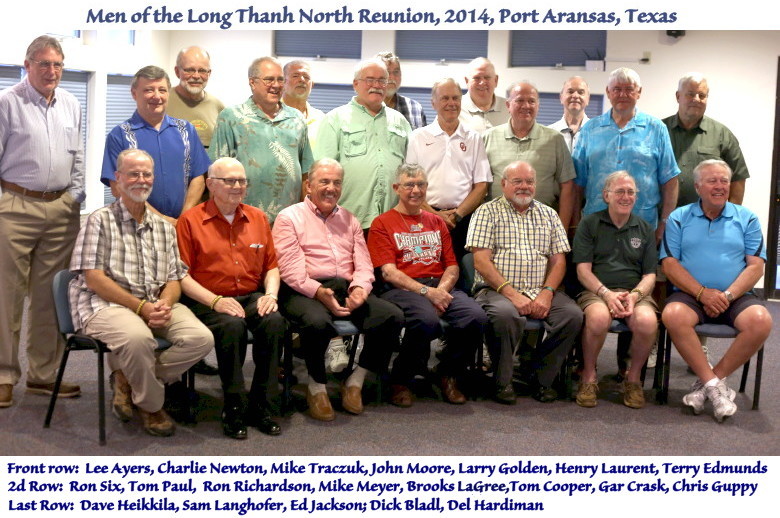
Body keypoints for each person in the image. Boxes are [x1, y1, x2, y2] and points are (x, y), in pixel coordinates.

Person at [69, 149, 213, 436]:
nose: (141, 180)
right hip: (104, 304)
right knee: (138, 339)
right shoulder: (99, 221)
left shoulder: (164, 227)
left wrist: (163, 304)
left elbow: (174, 277)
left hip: (152, 302)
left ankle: (125, 377)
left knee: (201, 339)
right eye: (133, 174)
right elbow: (94, 279)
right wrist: (140, 308)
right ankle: (151, 406)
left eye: (146, 174)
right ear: (118, 179)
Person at [272, 159, 403, 421]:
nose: (331, 188)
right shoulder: (289, 217)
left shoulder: (350, 219)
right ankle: (317, 386)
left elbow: (364, 264)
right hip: (302, 290)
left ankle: (355, 381)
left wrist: (360, 289)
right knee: (318, 322)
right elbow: (290, 270)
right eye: (324, 182)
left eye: (336, 182)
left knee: (392, 317)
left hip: (344, 288)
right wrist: (319, 292)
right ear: (309, 185)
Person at [0, 35, 84, 408]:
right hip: (15, 206)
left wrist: (75, 197)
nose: (52, 71)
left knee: (50, 297)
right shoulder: (7, 103)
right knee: (7, 297)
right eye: (44, 64)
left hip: (60, 210)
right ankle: (4, 375)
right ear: (28, 64)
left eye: (58, 65)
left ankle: (42, 374)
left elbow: (78, 154)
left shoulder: (70, 103)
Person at [177, 158, 284, 439]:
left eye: (242, 181)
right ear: (211, 185)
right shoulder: (190, 220)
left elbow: (271, 266)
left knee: (274, 322)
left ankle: (262, 404)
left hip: (251, 295)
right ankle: (234, 404)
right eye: (230, 181)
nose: (238, 186)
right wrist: (215, 301)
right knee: (232, 326)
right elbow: (181, 276)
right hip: (207, 299)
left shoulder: (258, 218)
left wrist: (271, 295)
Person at [660, 159, 772, 422]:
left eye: (724, 181)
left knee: (761, 321)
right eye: (712, 181)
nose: (720, 186)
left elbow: (756, 267)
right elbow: (669, 264)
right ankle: (716, 387)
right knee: (673, 314)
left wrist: (727, 295)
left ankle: (707, 384)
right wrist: (702, 293)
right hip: (691, 295)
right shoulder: (679, 217)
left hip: (735, 296)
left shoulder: (747, 218)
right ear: (698, 187)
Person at [368, 164, 487, 407]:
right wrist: (426, 293)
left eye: (421, 184)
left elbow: (452, 265)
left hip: (439, 284)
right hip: (400, 288)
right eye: (409, 185)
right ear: (396, 188)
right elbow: (389, 272)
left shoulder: (436, 222)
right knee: (425, 320)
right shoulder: (382, 223)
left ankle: (448, 373)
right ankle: (400, 379)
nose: (415, 190)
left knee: (476, 317)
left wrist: (440, 291)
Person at [466, 161, 582, 404]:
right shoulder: (486, 212)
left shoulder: (549, 214)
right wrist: (511, 293)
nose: (524, 187)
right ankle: (502, 382)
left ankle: (540, 378)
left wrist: (548, 292)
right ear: (504, 184)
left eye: (529, 181)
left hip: (539, 289)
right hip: (495, 290)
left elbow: (559, 261)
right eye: (517, 181)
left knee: (572, 315)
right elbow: (481, 262)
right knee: (506, 314)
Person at [572, 171, 658, 409]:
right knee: (599, 318)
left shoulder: (644, 228)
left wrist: (634, 296)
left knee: (647, 322)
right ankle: (588, 376)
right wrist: (606, 294)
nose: (626, 196)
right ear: (606, 195)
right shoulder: (589, 224)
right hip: (596, 291)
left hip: (634, 293)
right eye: (620, 191)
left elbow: (650, 274)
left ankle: (633, 379)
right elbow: (583, 271)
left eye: (631, 192)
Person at [573, 67, 680, 243]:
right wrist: (576, 224)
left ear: (639, 92)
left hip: (643, 227)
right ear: (608, 92)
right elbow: (577, 184)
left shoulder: (656, 129)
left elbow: (670, 180)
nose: (623, 94)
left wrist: (665, 223)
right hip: (595, 226)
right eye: (617, 89)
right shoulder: (590, 129)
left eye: (629, 89)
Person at [102, 65, 210, 226]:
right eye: (149, 90)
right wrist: (162, 220)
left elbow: (198, 178)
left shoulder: (186, 131)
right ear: (134, 94)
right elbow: (118, 188)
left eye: (162, 90)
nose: (156, 96)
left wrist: (183, 218)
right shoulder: (120, 135)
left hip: (182, 226)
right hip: (136, 225)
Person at [210, 57, 313, 223]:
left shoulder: (297, 119)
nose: (276, 85)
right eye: (269, 79)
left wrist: (304, 216)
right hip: (241, 219)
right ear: (252, 82)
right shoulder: (231, 117)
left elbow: (304, 172)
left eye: (280, 79)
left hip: (288, 221)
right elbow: (216, 172)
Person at [316, 59, 412, 229]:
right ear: (355, 84)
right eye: (369, 80)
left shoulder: (400, 121)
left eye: (382, 80)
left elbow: (409, 169)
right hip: (346, 221)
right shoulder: (335, 119)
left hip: (393, 221)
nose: (376, 85)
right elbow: (322, 175)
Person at [405, 78, 491, 259]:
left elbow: (481, 186)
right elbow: (410, 185)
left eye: (455, 98)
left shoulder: (474, 138)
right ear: (433, 103)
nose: (451, 103)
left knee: (462, 274)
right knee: (426, 270)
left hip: (464, 220)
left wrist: (456, 216)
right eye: (445, 98)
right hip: (425, 218)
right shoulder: (417, 137)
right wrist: (435, 215)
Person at [483, 82, 576, 231]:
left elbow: (567, 187)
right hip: (497, 226)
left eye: (531, 101)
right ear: (508, 105)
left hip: (542, 228)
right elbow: (479, 185)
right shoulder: (488, 137)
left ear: (538, 106)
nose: (526, 106)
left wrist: (561, 231)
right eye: (519, 100)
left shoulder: (555, 139)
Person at [663, 73, 750, 207]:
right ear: (678, 96)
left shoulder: (722, 134)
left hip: (708, 220)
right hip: (664, 218)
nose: (696, 99)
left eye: (702, 95)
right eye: (690, 94)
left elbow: (738, 177)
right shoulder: (659, 131)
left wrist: (732, 217)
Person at [167, 46, 225, 149]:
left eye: (202, 71)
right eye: (189, 70)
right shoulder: (161, 102)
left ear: (209, 73)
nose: (196, 76)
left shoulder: (218, 107)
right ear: (177, 71)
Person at [375, 51, 428, 129]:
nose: (392, 77)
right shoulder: (363, 109)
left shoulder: (415, 108)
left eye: (396, 72)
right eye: (387, 72)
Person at [282, 60, 326, 149]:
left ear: (312, 85)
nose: (302, 80)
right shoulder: (268, 115)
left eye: (306, 77)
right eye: (295, 76)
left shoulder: (320, 118)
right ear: (282, 82)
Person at [458, 57, 506, 134]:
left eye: (487, 77)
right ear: (467, 81)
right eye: (477, 78)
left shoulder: (510, 108)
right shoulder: (454, 108)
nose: (482, 82)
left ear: (496, 80)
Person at [548, 76, 590, 153]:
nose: (575, 96)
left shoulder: (598, 133)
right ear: (561, 98)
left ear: (588, 99)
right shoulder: (548, 134)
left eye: (581, 92)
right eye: (570, 91)